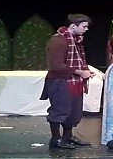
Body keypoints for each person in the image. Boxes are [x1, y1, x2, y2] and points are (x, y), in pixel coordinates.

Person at [40, 13, 95, 149]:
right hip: (60, 81)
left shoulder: (76, 41)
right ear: (73, 26)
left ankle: (67, 137)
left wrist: (84, 71)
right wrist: (80, 72)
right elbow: (56, 66)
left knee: (74, 111)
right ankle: (56, 139)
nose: (86, 29)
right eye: (84, 26)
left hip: (74, 81)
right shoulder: (58, 41)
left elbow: (77, 61)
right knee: (60, 110)